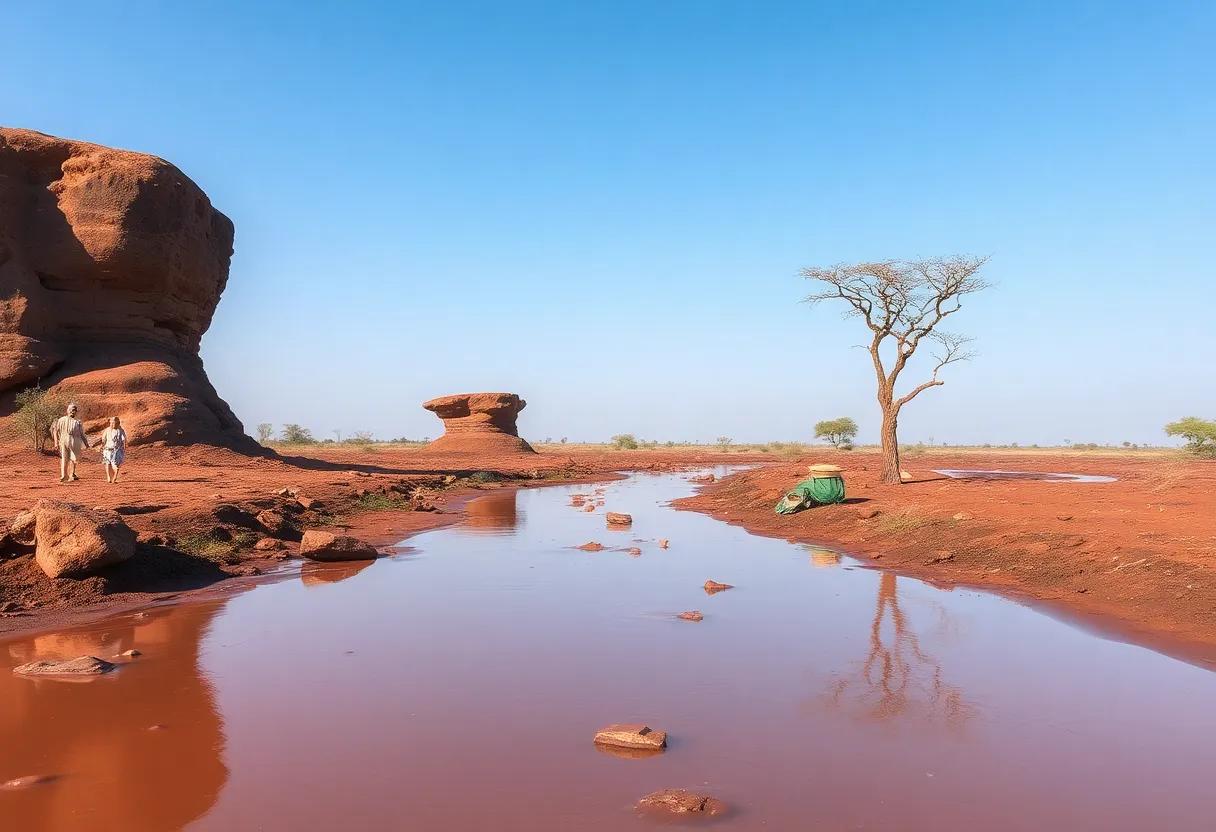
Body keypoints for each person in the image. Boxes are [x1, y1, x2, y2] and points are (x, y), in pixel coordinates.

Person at [51, 402, 90, 483]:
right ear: (67, 410)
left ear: (76, 412)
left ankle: (72, 473)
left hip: (75, 441)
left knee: (73, 458)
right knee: (64, 458)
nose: (73, 411)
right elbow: (55, 431)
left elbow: (82, 434)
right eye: (71, 409)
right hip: (63, 440)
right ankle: (64, 476)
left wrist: (86, 444)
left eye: (74, 410)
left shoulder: (77, 422)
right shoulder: (61, 420)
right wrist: (56, 443)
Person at [101, 416, 128, 484]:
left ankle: (109, 477)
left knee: (108, 463)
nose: (112, 424)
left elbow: (103, 440)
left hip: (110, 450)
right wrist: (124, 447)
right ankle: (112, 475)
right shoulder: (119, 430)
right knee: (113, 463)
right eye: (112, 423)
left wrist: (102, 446)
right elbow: (124, 439)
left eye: (114, 423)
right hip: (114, 450)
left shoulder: (118, 430)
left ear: (118, 423)